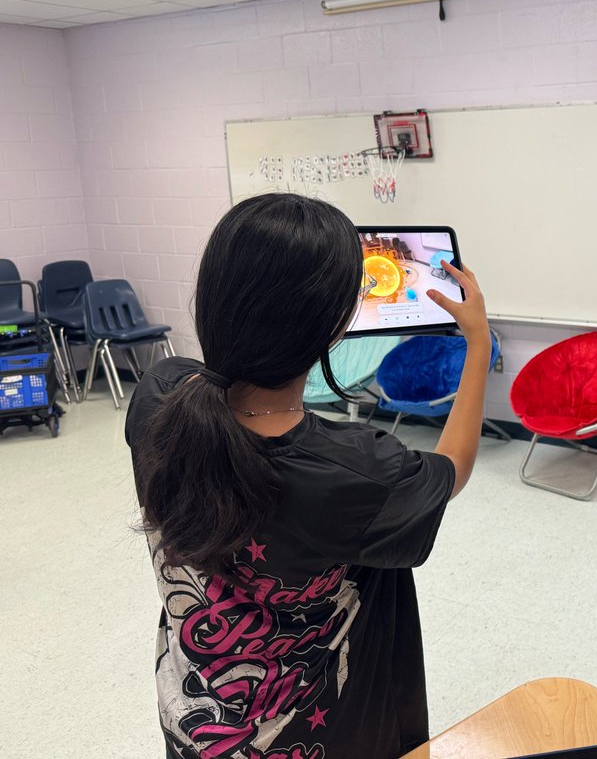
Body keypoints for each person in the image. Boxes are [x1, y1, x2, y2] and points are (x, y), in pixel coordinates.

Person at [126, 193, 491, 759]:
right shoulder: (360, 470)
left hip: (195, 724)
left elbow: (210, 379)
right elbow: (453, 469)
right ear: (336, 323)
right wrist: (478, 342)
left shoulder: (158, 399)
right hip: (325, 739)